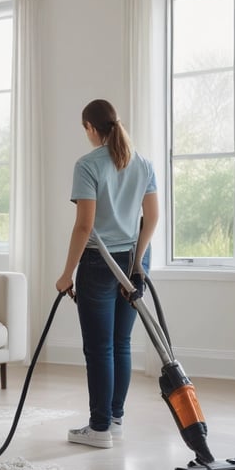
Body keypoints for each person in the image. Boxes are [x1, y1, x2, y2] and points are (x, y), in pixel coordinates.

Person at [56, 99, 159, 449]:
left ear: (89, 127)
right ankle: (114, 421)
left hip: (99, 263)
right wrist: (137, 263)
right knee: (121, 344)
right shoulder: (143, 163)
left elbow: (84, 226)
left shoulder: (87, 165)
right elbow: (153, 218)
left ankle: (99, 429)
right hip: (133, 262)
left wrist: (66, 274)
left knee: (99, 349)